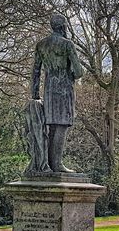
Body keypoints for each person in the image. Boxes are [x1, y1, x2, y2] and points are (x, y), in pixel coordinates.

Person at [30, 14, 85, 173]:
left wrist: (35, 94)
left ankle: (51, 164)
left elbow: (35, 71)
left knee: (52, 126)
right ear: (63, 26)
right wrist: (72, 76)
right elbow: (79, 71)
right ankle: (57, 164)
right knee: (62, 124)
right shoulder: (67, 44)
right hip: (64, 88)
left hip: (48, 90)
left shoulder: (41, 45)